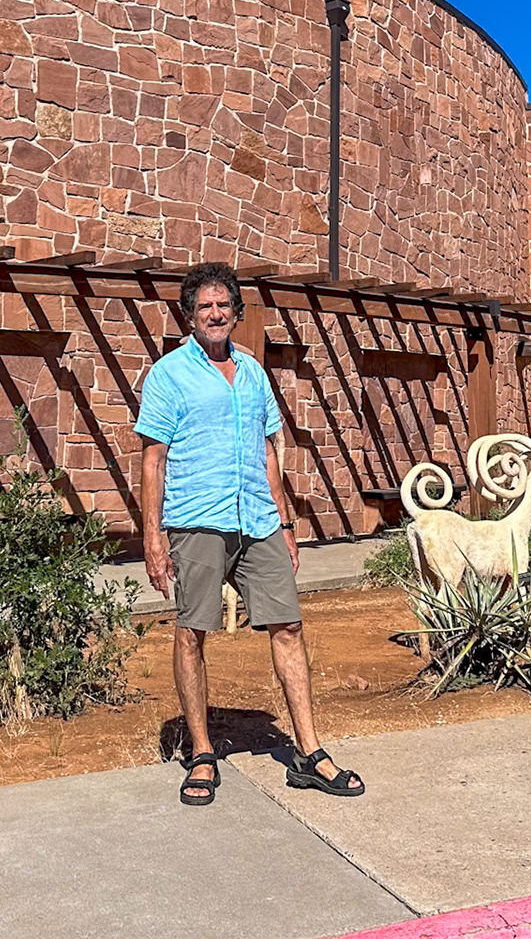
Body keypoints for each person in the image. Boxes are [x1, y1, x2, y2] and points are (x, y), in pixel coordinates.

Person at [136, 262, 366, 808]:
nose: (215, 314)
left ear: (235, 313)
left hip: (258, 520)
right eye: (204, 306)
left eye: (223, 305)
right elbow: (153, 461)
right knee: (193, 630)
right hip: (197, 520)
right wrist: (153, 537)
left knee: (288, 624)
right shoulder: (169, 375)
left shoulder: (255, 373)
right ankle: (201, 752)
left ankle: (309, 753)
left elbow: (269, 452)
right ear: (189, 316)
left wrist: (285, 524)